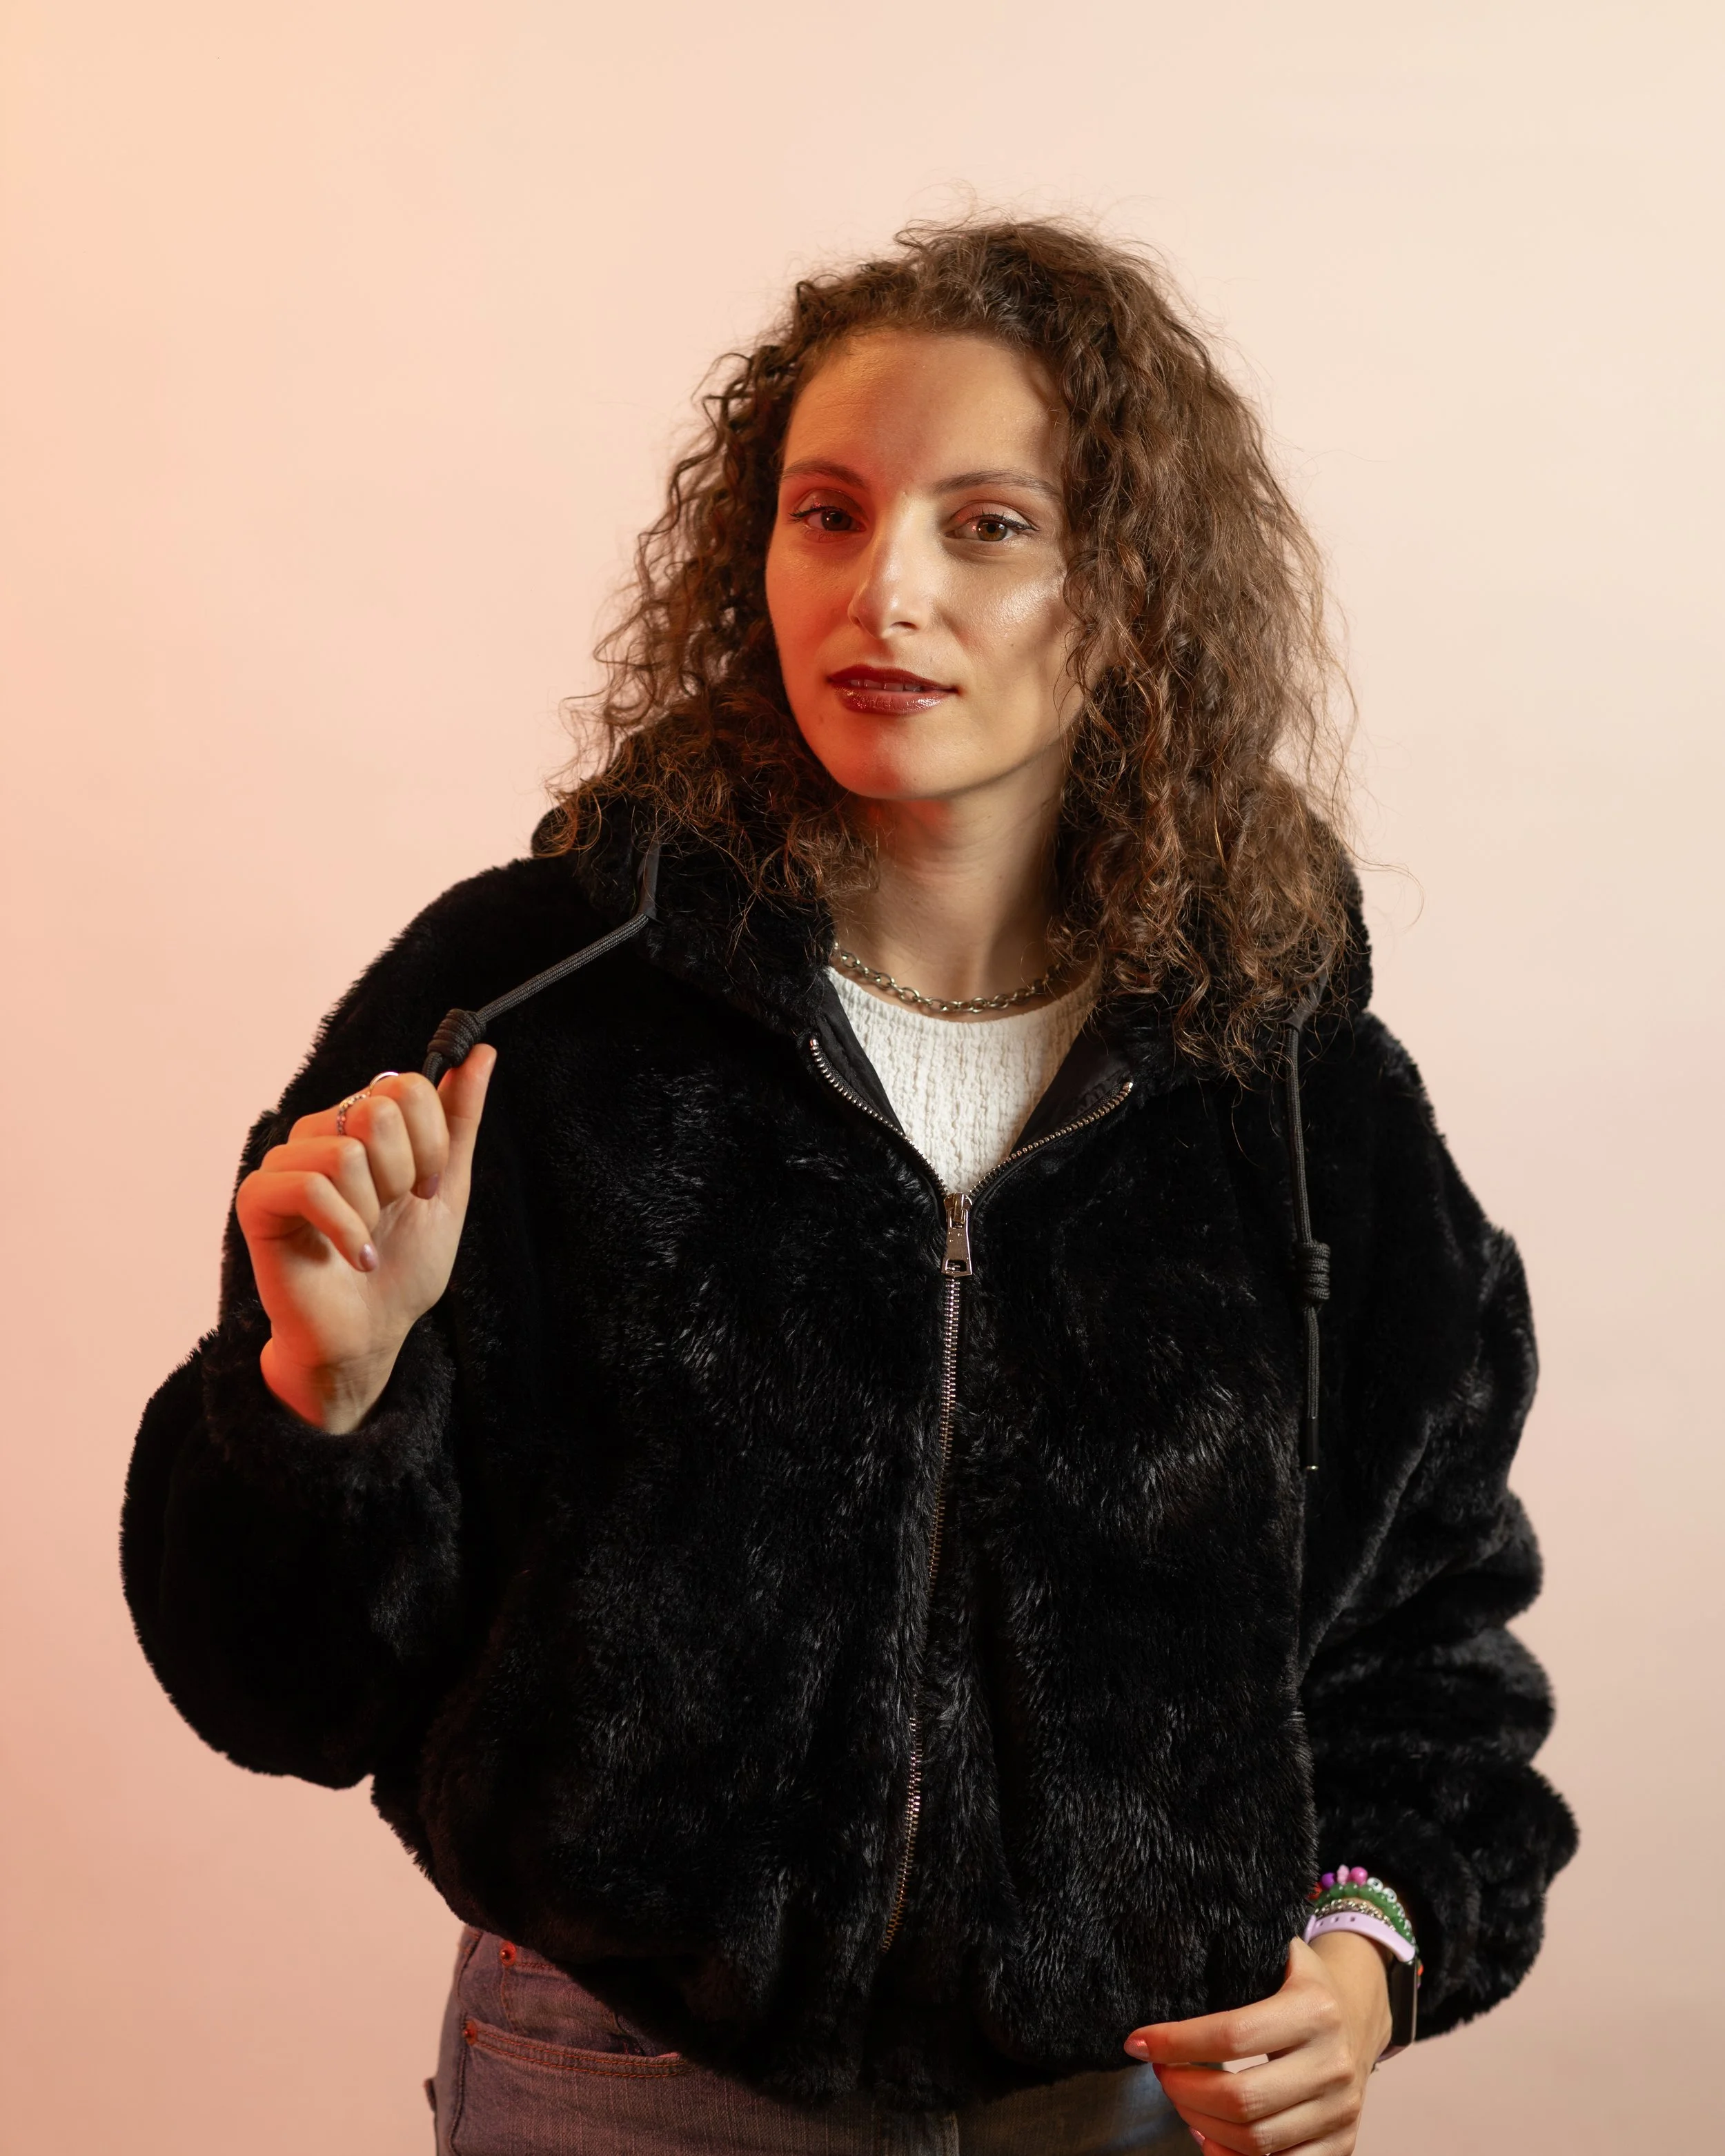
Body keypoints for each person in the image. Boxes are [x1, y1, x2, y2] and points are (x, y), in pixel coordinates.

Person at [122, 219, 1576, 2156]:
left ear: (1131, 589)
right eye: (827, 511)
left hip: (1131, 2099)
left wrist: (1365, 1949)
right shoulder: (532, 1010)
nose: (882, 587)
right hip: (618, 2086)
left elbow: (1429, 1646)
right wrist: (322, 1397)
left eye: (989, 525)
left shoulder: (1294, 1094)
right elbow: (274, 1681)